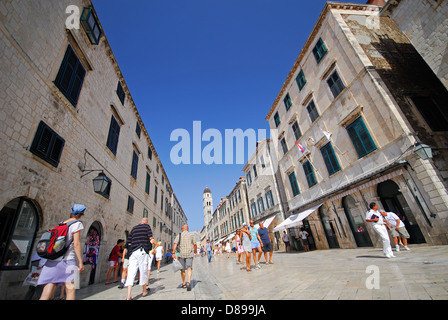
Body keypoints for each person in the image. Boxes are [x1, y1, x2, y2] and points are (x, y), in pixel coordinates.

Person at [38, 204, 85, 300]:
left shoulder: (62, 224)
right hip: (67, 260)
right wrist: (80, 261)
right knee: (70, 290)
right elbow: (76, 244)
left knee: (46, 292)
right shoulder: (77, 224)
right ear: (82, 214)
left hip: (52, 260)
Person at [124, 217, 155, 300]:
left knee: (131, 272)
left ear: (140, 222)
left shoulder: (134, 228)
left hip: (133, 252)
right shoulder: (147, 227)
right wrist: (154, 243)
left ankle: (128, 295)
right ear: (145, 222)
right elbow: (150, 239)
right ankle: (144, 291)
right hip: (142, 250)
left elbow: (128, 241)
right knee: (143, 270)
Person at [172, 224, 197, 291]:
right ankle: (188, 282)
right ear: (187, 228)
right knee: (189, 268)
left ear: (182, 229)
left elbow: (175, 244)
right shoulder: (191, 235)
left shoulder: (179, 235)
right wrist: (195, 251)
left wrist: (173, 253)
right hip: (189, 254)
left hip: (181, 254)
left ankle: (183, 283)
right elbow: (194, 244)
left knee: (182, 269)